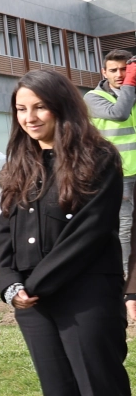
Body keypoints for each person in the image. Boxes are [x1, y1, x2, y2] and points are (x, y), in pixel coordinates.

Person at [0, 69, 136, 396]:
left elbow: (90, 233)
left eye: (39, 107)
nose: (30, 117)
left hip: (86, 298)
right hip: (33, 305)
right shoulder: (21, 160)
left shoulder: (98, 157)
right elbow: (5, 233)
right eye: (21, 109)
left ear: (61, 106)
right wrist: (10, 285)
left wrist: (35, 283)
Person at [84, 49, 136, 268]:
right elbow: (119, 113)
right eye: (113, 70)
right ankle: (126, 276)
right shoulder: (93, 97)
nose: (119, 74)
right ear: (104, 72)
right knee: (125, 226)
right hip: (118, 173)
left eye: (125, 69)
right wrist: (131, 83)